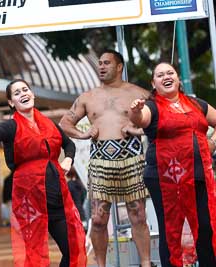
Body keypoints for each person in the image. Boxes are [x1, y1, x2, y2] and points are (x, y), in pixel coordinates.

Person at [0, 79, 86, 267]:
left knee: (74, 247)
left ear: (32, 94)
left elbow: (69, 144)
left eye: (25, 90)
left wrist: (68, 159)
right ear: (11, 103)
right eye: (17, 93)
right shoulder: (10, 126)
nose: (23, 94)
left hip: (57, 197)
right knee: (35, 256)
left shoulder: (49, 124)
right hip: (31, 201)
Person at [59, 49, 152, 267]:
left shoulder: (139, 93)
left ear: (119, 67)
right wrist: (83, 134)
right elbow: (65, 123)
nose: (101, 66)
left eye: (107, 63)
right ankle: (101, 265)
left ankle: (146, 263)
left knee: (138, 215)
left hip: (132, 158)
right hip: (100, 159)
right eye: (100, 63)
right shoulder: (88, 96)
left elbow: (158, 120)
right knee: (99, 219)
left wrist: (138, 130)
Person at [130, 62, 216, 267]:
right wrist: (135, 111)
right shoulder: (151, 106)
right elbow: (141, 120)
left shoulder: (196, 104)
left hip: (198, 175)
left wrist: (212, 143)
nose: (166, 76)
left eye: (170, 73)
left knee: (206, 227)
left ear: (178, 79)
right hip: (165, 178)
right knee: (171, 229)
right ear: (154, 83)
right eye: (160, 75)